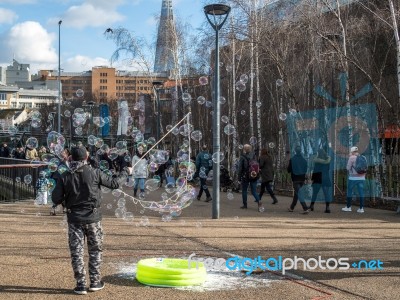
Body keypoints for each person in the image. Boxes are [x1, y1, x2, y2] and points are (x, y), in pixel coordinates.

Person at [52, 145, 131, 295]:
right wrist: (126, 171)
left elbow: (55, 198)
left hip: (74, 218)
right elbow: (114, 183)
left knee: (77, 252)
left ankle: (80, 284)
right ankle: (95, 282)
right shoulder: (95, 173)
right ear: (86, 157)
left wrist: (64, 194)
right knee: (95, 250)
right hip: (93, 218)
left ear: (71, 158)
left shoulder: (65, 176)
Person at [237, 144, 262, 211]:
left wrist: (239, 178)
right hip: (253, 174)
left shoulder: (242, 156)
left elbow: (240, 168)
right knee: (254, 191)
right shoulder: (254, 155)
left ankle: (245, 205)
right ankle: (259, 201)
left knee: (244, 190)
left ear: (244, 149)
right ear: (250, 149)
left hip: (245, 176)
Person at [342, 146, 366, 213]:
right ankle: (361, 208)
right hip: (362, 178)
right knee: (361, 193)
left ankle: (348, 207)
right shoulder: (363, 157)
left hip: (353, 178)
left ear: (352, 152)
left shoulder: (351, 158)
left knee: (349, 192)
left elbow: (348, 168)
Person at [287, 145, 310, 214]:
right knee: (297, 194)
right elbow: (305, 169)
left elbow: (288, 170)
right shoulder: (304, 160)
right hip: (302, 179)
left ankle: (305, 208)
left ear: (295, 151)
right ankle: (292, 207)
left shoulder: (292, 160)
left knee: (299, 193)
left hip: (295, 179)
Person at [309, 148, 333, 213]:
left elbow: (315, 170)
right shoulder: (327, 161)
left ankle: (312, 205)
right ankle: (327, 207)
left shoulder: (317, 161)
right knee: (326, 194)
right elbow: (328, 169)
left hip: (317, 178)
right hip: (325, 178)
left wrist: (312, 179)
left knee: (315, 193)